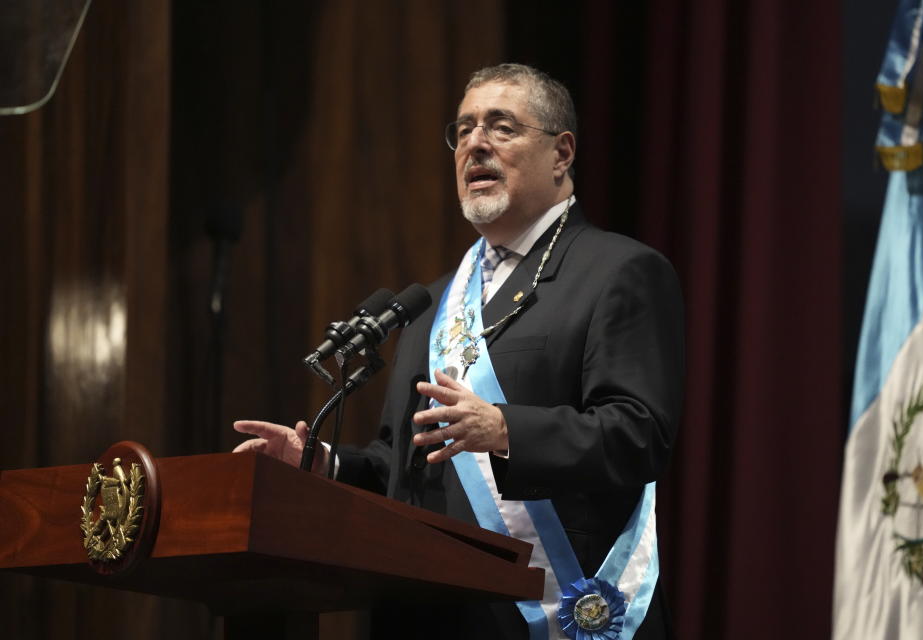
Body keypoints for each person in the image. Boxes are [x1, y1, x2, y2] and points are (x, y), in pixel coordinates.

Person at [234, 63, 684, 640]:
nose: (475, 143)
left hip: (552, 614)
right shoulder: (434, 304)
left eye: (501, 127)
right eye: (464, 129)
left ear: (562, 153)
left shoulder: (620, 272)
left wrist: (505, 429)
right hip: (425, 612)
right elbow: (405, 462)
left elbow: (639, 434)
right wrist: (326, 462)